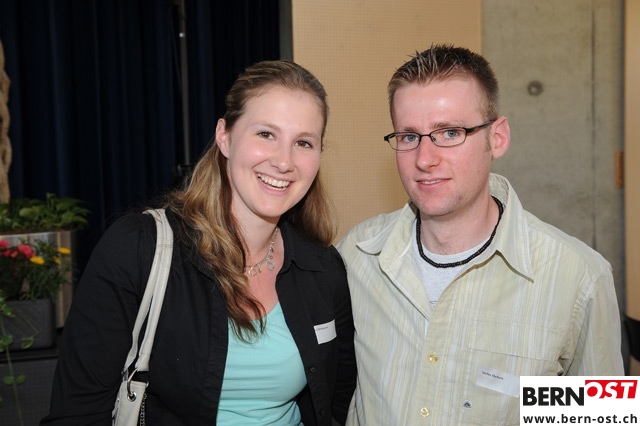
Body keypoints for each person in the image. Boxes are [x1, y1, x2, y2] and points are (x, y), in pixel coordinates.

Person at [41, 59, 356, 425]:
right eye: (265, 134)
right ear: (225, 136)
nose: (284, 161)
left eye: (303, 142)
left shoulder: (323, 268)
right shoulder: (138, 250)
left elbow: (340, 403)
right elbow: (77, 414)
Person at [337, 45, 624, 426]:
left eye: (450, 132)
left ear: (498, 138)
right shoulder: (356, 256)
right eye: (408, 136)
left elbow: (601, 419)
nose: (425, 159)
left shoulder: (579, 278)